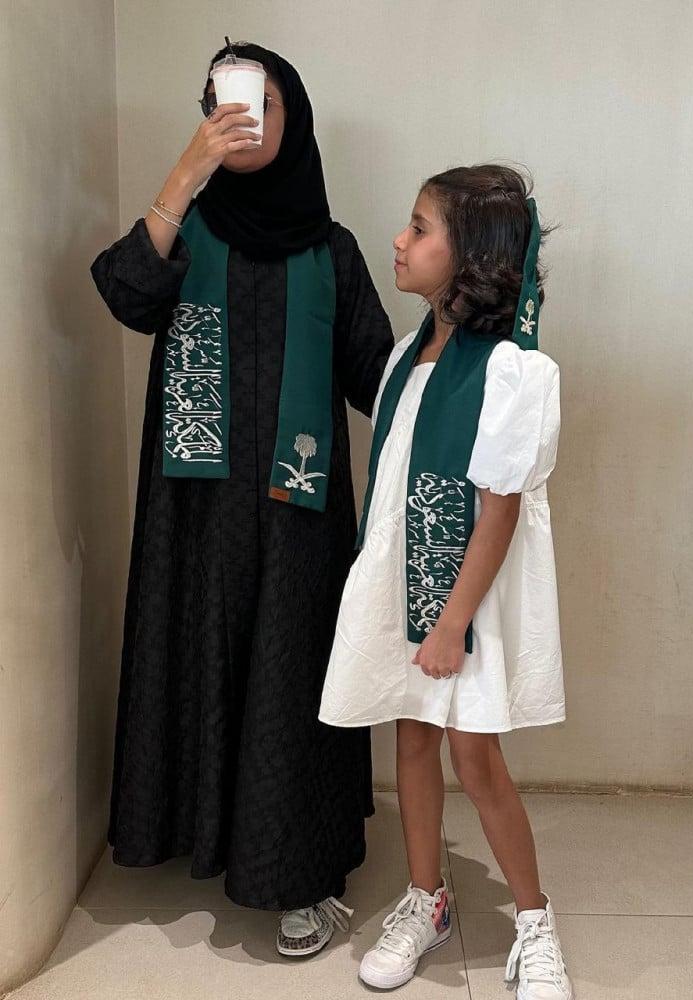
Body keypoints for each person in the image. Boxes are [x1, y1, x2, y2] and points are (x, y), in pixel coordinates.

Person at [90, 41, 394, 957]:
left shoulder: (333, 252)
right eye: (224, 99)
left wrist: (467, 350)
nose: (243, 116)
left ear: (292, 114)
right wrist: (184, 176)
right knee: (198, 655)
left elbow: (377, 380)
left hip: (299, 520)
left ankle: (297, 874)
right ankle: (197, 836)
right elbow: (124, 293)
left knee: (291, 677)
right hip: (194, 519)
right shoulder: (186, 233)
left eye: (262, 98)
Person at [319, 164, 573, 998]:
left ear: (473, 258)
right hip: (410, 584)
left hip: (469, 599)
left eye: (420, 228)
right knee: (413, 736)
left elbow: (499, 511)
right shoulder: (404, 356)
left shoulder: (511, 371)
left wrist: (453, 621)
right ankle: (426, 899)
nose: (399, 240)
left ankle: (533, 920)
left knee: (475, 753)